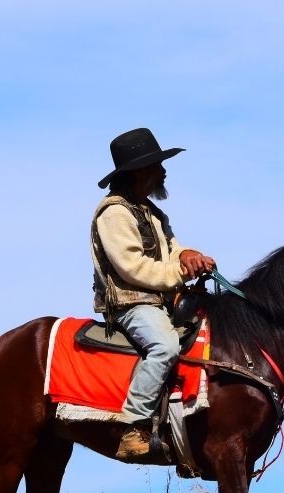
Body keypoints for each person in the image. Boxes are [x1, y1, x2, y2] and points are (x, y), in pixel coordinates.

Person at [90, 128, 216, 461]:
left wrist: (189, 255)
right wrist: (178, 272)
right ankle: (134, 426)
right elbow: (133, 267)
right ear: (137, 173)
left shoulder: (152, 213)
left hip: (161, 300)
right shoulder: (114, 214)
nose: (163, 171)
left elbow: (172, 249)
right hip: (132, 304)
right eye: (155, 165)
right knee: (164, 346)